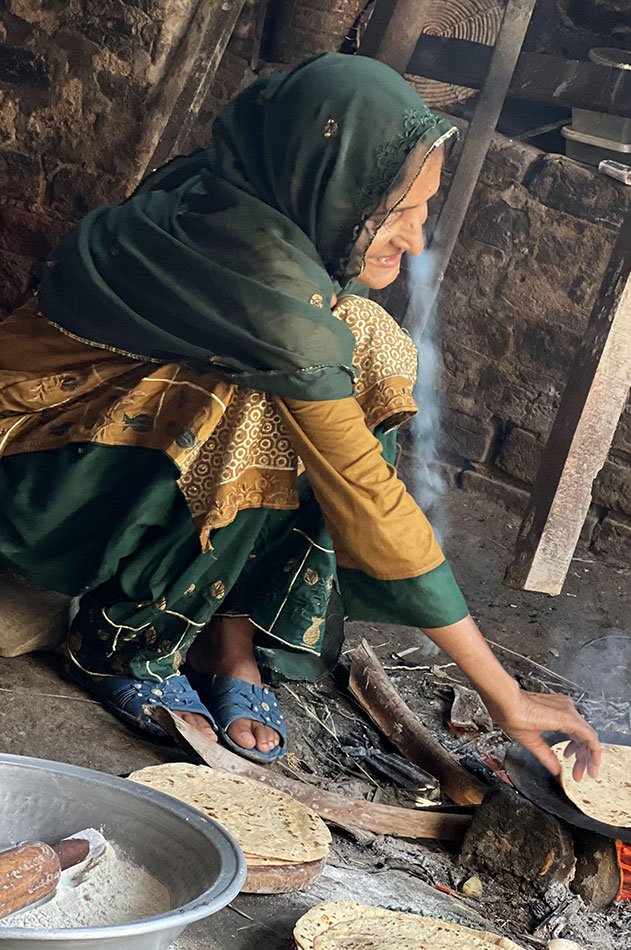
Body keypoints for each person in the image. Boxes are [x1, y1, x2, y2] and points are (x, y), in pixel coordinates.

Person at [0, 53, 600, 780]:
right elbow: (362, 493)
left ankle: (230, 628)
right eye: (397, 214)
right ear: (331, 183)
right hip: (38, 468)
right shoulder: (263, 290)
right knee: (267, 396)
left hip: (115, 436)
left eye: (424, 211)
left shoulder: (254, 190)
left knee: (366, 341)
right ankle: (124, 639)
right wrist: (503, 693)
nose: (415, 239)